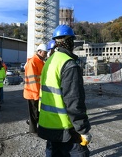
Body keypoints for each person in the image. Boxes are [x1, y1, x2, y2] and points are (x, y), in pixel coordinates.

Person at [38, 25, 91, 157]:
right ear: (69, 41)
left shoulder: (49, 62)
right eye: (72, 40)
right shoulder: (68, 64)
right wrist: (82, 129)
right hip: (66, 128)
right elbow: (74, 101)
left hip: (48, 124)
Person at [23, 43, 47, 133]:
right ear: (39, 51)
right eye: (44, 53)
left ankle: (34, 125)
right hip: (32, 93)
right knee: (34, 113)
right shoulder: (33, 62)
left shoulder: (40, 62)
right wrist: (36, 95)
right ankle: (33, 130)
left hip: (37, 92)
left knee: (36, 112)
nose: (45, 55)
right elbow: (32, 80)